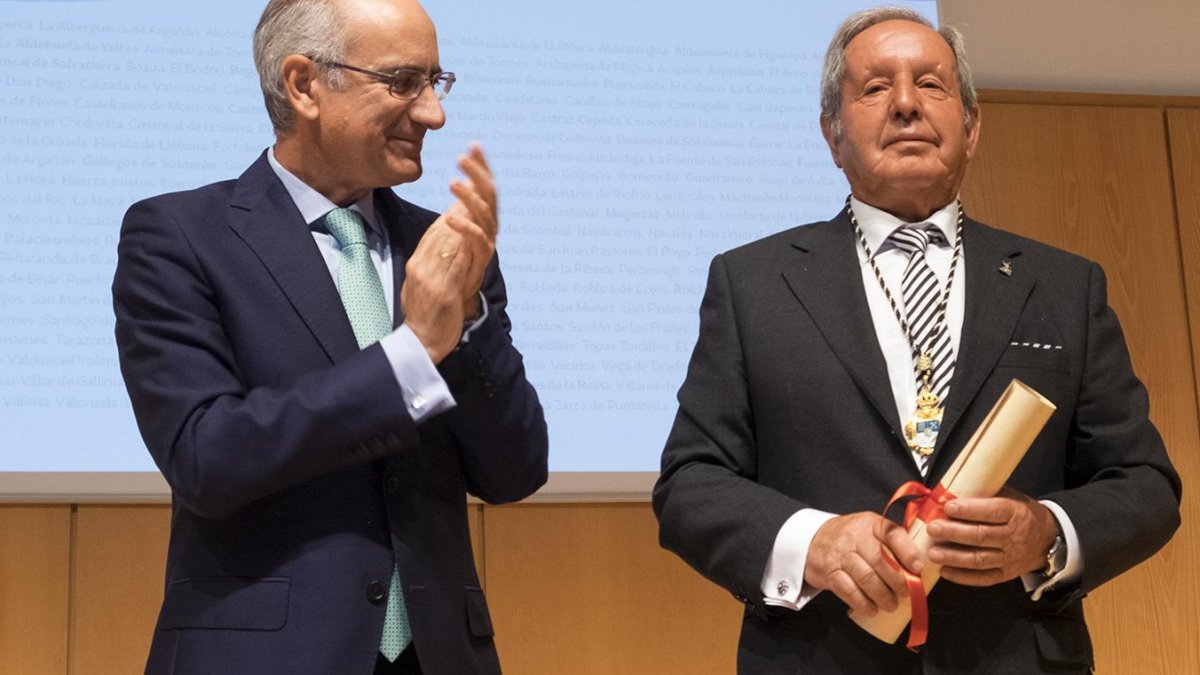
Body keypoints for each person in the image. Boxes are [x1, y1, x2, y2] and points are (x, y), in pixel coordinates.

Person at [653, 7, 1181, 673]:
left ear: (972, 126)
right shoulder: (751, 284)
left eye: (931, 85)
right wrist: (812, 541)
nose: (905, 103)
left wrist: (1046, 532)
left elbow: (1145, 484)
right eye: (874, 88)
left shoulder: (1064, 287)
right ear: (831, 134)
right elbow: (690, 485)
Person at [112, 0, 547, 672]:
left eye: (438, 82)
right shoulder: (179, 236)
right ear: (303, 84)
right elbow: (205, 457)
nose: (434, 113)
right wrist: (410, 356)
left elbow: (516, 470)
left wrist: (466, 322)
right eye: (403, 83)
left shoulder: (443, 246)